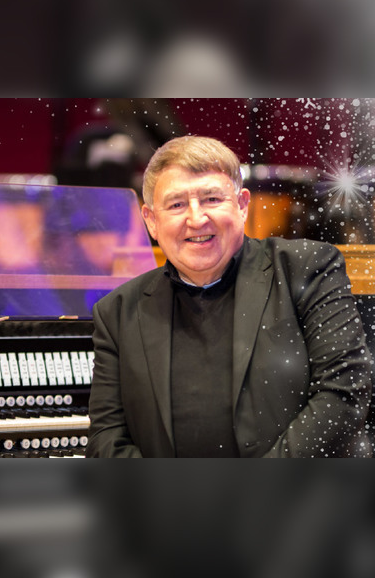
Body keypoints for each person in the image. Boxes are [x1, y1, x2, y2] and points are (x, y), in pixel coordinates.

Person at [87, 135, 373, 457]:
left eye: (211, 199)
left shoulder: (306, 269)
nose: (196, 219)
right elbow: (106, 439)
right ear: (151, 221)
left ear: (242, 205)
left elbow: (343, 391)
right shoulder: (117, 312)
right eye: (177, 204)